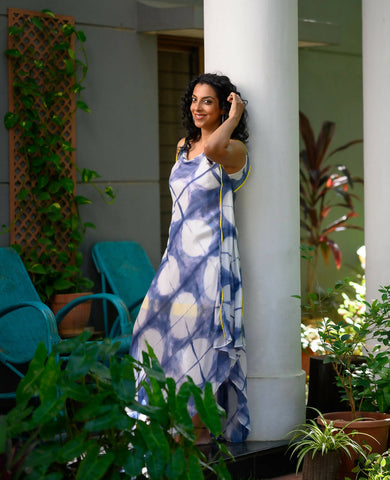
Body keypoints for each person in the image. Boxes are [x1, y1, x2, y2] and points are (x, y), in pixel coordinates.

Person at [130, 73, 251, 443]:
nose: (198, 107)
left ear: (224, 107)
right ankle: (159, 421)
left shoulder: (235, 149)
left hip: (210, 262)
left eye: (208, 102)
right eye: (195, 100)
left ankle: (188, 426)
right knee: (147, 334)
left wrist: (234, 117)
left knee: (198, 341)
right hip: (176, 259)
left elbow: (214, 150)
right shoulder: (184, 145)